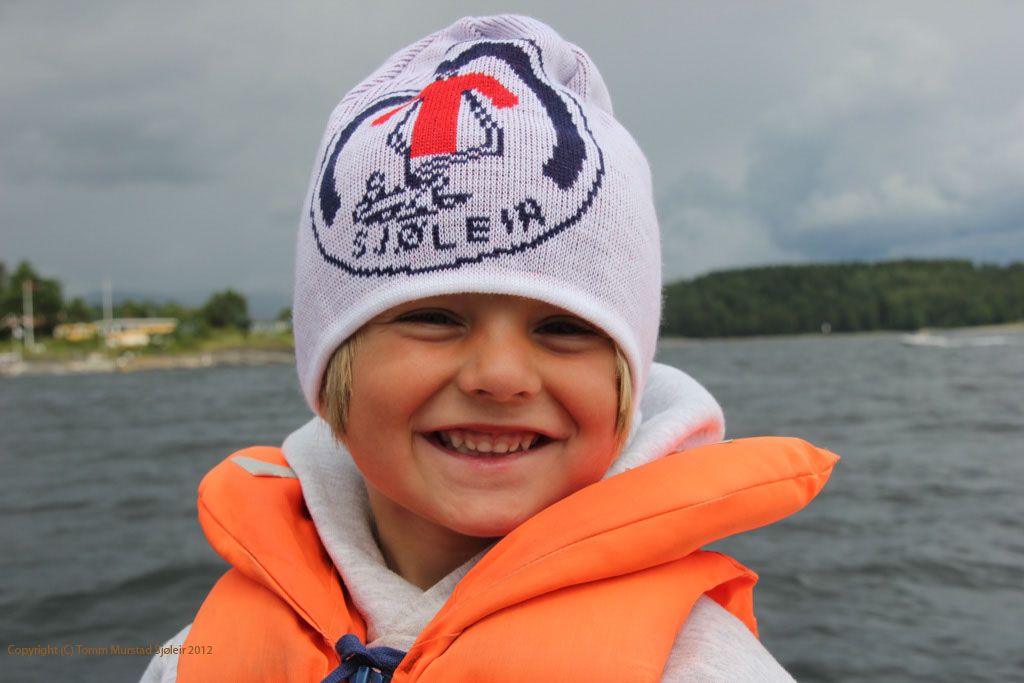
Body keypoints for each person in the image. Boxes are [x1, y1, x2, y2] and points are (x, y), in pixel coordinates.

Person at [141, 14, 836, 682]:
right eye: (434, 317)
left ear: (627, 379)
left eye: (563, 327)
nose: (501, 376)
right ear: (329, 372)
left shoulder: (701, 669)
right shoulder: (190, 662)